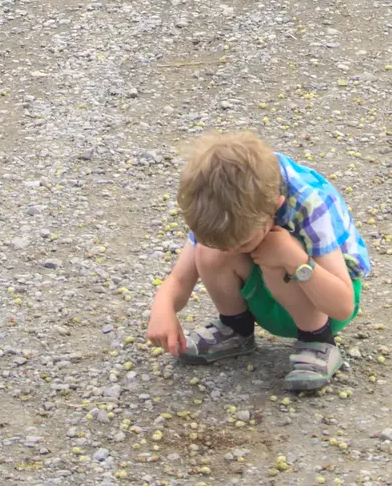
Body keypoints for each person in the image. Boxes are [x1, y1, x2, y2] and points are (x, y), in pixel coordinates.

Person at [147, 130, 370, 393]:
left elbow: (343, 306)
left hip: (328, 300)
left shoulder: (308, 202)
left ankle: (318, 342)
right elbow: (180, 278)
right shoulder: (215, 203)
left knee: (278, 251)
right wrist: (162, 308)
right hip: (274, 294)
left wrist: (295, 259)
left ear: (275, 207)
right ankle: (235, 331)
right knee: (208, 251)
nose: (232, 251)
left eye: (242, 243)